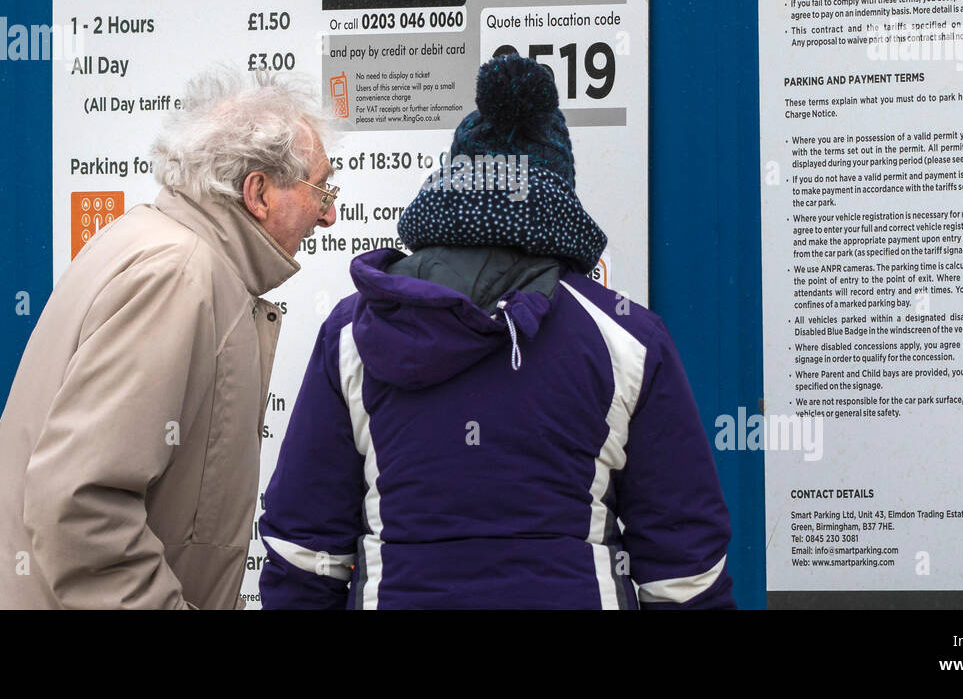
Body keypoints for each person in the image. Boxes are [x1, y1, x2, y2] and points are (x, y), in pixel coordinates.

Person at [258, 53, 733, 609]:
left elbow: (304, 552)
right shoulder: (627, 337)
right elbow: (685, 569)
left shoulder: (355, 332)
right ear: (559, 193)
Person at [0, 70, 337, 609]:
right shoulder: (180, 275)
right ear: (257, 192)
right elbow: (79, 505)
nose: (329, 214)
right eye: (321, 189)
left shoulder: (166, 250)